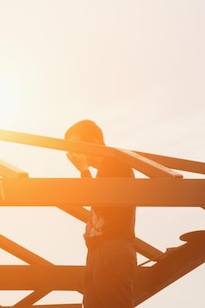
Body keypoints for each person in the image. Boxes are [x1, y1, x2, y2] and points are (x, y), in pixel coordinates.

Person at [64, 120, 137, 308]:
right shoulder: (104, 171)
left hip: (112, 249)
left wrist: (83, 170)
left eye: (76, 146)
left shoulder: (117, 162)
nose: (74, 153)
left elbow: (100, 201)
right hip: (98, 251)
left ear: (95, 143)